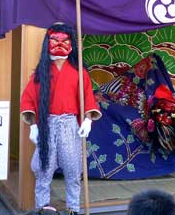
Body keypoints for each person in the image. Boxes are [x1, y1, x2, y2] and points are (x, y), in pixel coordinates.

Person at [20, 23, 102, 215]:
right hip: (46, 124)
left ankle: (73, 209)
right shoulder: (40, 74)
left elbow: (88, 97)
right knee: (43, 171)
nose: (60, 44)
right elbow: (28, 100)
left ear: (71, 44)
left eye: (65, 41)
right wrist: (34, 126)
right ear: (47, 43)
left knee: (73, 170)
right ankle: (43, 209)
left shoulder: (79, 72)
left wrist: (88, 120)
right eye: (55, 40)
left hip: (69, 124)